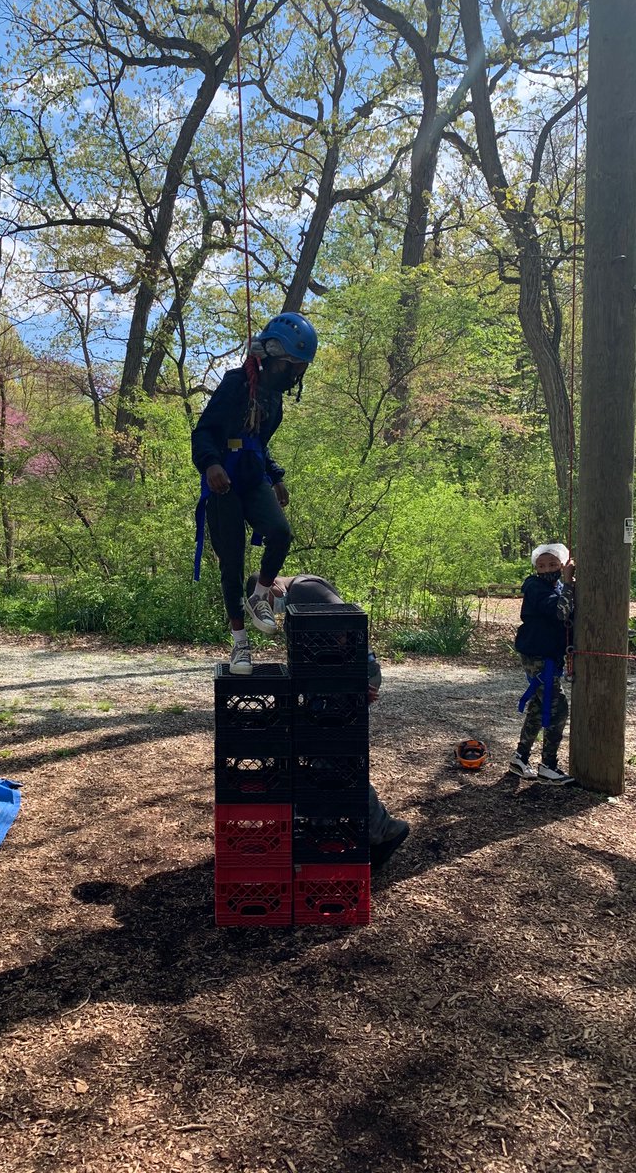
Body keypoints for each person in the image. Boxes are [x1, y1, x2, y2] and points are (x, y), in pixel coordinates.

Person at [247, 570, 409, 870]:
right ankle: (331, 831)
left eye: (268, 604)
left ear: (271, 587)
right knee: (326, 755)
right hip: (335, 679)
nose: (272, 611)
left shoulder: (305, 590)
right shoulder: (298, 596)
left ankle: (382, 829)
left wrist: (352, 682)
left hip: (350, 676)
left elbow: (348, 628)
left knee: (334, 754)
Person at [191, 312, 317, 676]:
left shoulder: (274, 399)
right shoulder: (235, 384)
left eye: (301, 367)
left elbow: (259, 442)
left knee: (280, 532)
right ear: (274, 356)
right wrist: (211, 464)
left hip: (254, 479)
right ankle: (240, 643)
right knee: (231, 562)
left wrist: (275, 477)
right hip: (224, 482)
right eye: (294, 365)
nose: (297, 374)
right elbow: (204, 431)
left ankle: (260, 596)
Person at [509, 542, 575, 785]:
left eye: (552, 564)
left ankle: (520, 758)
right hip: (537, 654)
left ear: (562, 564)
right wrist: (569, 583)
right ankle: (548, 765)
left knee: (539, 707)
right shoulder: (536, 587)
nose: (547, 569)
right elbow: (561, 612)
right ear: (535, 568)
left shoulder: (557, 587)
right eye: (542, 565)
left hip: (547, 655)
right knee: (558, 708)